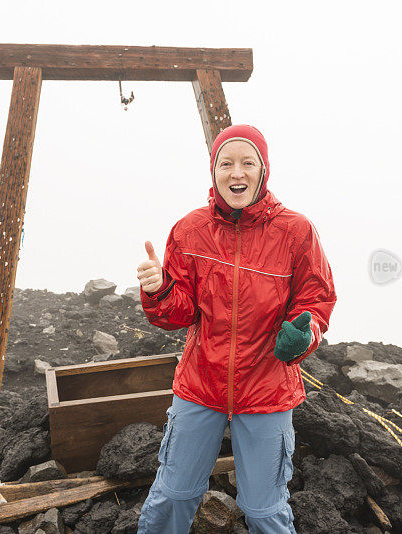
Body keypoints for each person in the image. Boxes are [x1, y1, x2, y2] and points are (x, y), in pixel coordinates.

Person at [135, 124, 337, 533]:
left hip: (267, 389)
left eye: (248, 162)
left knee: (264, 510)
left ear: (264, 170)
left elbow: (316, 302)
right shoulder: (190, 230)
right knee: (174, 493)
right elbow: (179, 314)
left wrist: (302, 336)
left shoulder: (296, 231)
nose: (236, 173)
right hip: (200, 384)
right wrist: (159, 291)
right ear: (214, 171)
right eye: (226, 163)